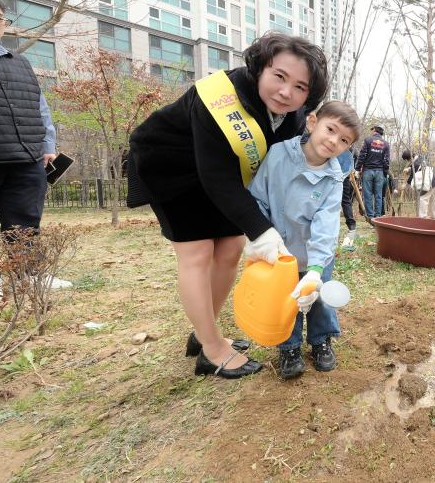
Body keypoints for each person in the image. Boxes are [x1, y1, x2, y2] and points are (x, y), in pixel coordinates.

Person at [127, 32, 328, 379]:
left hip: (228, 177)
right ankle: (212, 350)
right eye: (279, 77)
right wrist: (262, 231)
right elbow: (216, 177)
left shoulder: (296, 114)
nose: (286, 93)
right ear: (260, 68)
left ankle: (203, 331)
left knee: (231, 249)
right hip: (172, 168)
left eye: (300, 87)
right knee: (198, 253)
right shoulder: (219, 98)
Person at [248, 101, 360, 379]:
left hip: (314, 254)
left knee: (318, 298)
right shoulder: (278, 154)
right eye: (330, 129)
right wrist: (261, 235)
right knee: (287, 300)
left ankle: (321, 340)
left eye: (344, 140)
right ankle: (289, 346)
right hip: (279, 250)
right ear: (312, 122)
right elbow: (258, 197)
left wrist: (316, 269)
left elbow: (326, 225)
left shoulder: (334, 178)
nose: (334, 141)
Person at [0, 0, 72, 295]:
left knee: (24, 221)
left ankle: (23, 276)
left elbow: (40, 108)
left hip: (26, 158)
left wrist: (47, 144)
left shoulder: (21, 63)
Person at [356, 125, 390, 219]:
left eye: (372, 130)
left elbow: (362, 155)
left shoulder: (368, 140)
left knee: (368, 194)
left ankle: (370, 216)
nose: (371, 132)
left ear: (375, 130)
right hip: (379, 172)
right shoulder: (386, 144)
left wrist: (357, 168)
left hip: (367, 171)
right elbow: (386, 160)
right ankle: (378, 216)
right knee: (378, 195)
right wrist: (385, 171)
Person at [401, 149, 435, 219]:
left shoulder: (415, 163)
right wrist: (409, 169)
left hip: (429, 182)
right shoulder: (421, 157)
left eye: (407, 160)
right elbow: (418, 167)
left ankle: (422, 218)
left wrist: (405, 184)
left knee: (423, 198)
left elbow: (413, 176)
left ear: (409, 158)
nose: (407, 161)